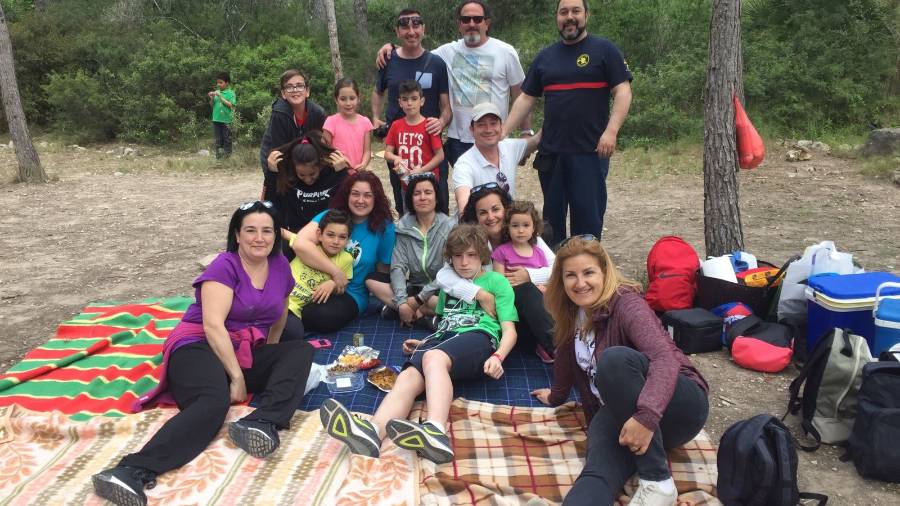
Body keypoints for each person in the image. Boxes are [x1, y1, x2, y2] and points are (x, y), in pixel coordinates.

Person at [91, 201, 315, 506]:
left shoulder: (279, 266)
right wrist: (237, 377)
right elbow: (212, 326)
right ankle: (131, 469)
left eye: (267, 231)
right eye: (250, 230)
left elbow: (281, 312)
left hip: (242, 348)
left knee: (300, 350)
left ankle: (261, 422)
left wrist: (271, 353)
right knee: (213, 401)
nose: (259, 238)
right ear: (237, 235)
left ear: (277, 235)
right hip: (197, 345)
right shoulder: (224, 266)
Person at [530, 237, 708, 506]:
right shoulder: (570, 313)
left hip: (678, 404)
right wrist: (555, 397)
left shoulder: (626, 303)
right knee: (597, 472)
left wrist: (646, 417)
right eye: (571, 276)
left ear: (604, 271)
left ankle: (657, 480)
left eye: (588, 272)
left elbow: (664, 359)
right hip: (619, 412)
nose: (580, 283)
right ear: (561, 281)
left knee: (613, 361)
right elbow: (565, 364)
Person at [319, 224, 517, 464]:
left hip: (480, 338)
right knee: (408, 376)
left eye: (471, 255)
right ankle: (372, 432)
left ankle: (436, 432)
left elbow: (509, 330)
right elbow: (447, 323)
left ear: (482, 256)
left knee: (432, 358)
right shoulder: (451, 287)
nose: (464, 262)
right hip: (445, 341)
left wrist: (498, 357)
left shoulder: (496, 282)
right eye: (458, 256)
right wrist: (425, 341)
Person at [376, 1, 532, 206]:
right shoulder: (446, 52)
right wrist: (390, 48)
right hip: (459, 140)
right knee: (467, 200)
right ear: (459, 24)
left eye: (478, 19)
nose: (472, 24)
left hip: (495, 137)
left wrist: (525, 132)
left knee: (499, 198)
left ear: (487, 23)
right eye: (466, 19)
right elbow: (415, 48)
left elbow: (521, 94)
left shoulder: (505, 51)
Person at [504, 0, 633, 245]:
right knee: (551, 222)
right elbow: (526, 98)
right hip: (552, 153)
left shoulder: (605, 50)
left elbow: (623, 92)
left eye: (575, 11)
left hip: (590, 152)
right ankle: (554, 272)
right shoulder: (545, 57)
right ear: (557, 17)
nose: (569, 17)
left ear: (586, 15)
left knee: (587, 221)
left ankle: (588, 274)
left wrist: (611, 132)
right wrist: (504, 131)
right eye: (564, 12)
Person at [437, 184, 556, 362]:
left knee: (530, 291)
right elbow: (443, 276)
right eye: (483, 212)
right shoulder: (472, 241)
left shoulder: (526, 236)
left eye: (495, 209)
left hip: (525, 306)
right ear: (475, 217)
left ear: (506, 210)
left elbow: (558, 267)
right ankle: (554, 346)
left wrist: (529, 275)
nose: (491, 217)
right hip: (493, 312)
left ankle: (557, 345)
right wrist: (480, 294)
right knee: (527, 293)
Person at [290, 171, 396, 332]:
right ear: (347, 195)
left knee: (318, 317)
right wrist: (337, 274)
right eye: (355, 194)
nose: (361, 200)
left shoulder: (385, 228)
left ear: (376, 198)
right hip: (309, 279)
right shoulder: (330, 216)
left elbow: (383, 270)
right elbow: (299, 243)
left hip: (351, 292)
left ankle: (288, 319)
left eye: (367, 195)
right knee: (284, 247)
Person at [372, 8, 451, 215]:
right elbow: (378, 92)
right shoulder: (387, 60)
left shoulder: (437, 63)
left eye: (416, 25)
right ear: (397, 31)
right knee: (404, 204)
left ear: (423, 29)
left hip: (429, 144)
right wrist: (375, 118)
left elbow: (446, 107)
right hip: (400, 147)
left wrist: (441, 122)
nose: (411, 31)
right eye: (404, 26)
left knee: (439, 205)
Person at [386, 173, 456, 328]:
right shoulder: (404, 227)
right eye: (417, 193)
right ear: (410, 199)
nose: (422, 197)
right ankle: (409, 311)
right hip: (415, 286)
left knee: (434, 300)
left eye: (428, 192)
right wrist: (403, 302)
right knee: (373, 282)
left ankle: (418, 311)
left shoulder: (450, 226)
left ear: (437, 198)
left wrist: (420, 299)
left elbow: (450, 269)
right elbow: (398, 266)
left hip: (443, 288)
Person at [265, 132, 350, 256]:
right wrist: (272, 175)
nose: (308, 179)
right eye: (302, 175)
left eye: (312, 174)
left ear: (320, 165)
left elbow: (347, 201)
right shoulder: (288, 179)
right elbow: (271, 205)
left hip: (327, 235)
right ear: (294, 169)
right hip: (295, 235)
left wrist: (343, 174)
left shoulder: (333, 174)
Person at [451, 102, 539, 213]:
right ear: (472, 130)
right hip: (479, 224)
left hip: (506, 221)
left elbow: (537, 141)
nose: (488, 129)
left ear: (501, 127)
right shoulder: (464, 164)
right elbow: (464, 206)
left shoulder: (509, 147)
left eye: (493, 123)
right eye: (481, 125)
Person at [283, 209, 354, 340]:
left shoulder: (346, 259)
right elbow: (285, 233)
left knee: (294, 333)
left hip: (293, 310)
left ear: (348, 239)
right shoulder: (309, 247)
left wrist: (332, 284)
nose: (336, 241)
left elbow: (343, 285)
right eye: (330, 235)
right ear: (319, 234)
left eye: (342, 237)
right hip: (275, 297)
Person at [260, 69, 327, 200]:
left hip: (305, 154)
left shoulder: (318, 112)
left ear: (307, 91)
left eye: (299, 86)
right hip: (277, 153)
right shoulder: (279, 114)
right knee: (282, 189)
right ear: (283, 94)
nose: (295, 90)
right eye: (289, 87)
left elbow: (320, 144)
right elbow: (279, 150)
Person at [384, 80, 445, 212]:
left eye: (414, 98)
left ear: (421, 101)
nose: (409, 103)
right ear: (400, 103)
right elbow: (387, 153)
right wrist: (395, 158)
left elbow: (440, 156)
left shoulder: (429, 125)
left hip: (427, 183)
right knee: (409, 216)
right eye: (405, 99)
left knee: (429, 217)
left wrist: (422, 170)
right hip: (407, 184)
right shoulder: (396, 125)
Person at [491, 200, 548, 291]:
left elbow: (547, 281)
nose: (521, 230)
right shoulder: (501, 252)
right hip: (512, 296)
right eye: (515, 225)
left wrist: (544, 289)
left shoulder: (539, 253)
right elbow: (498, 283)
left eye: (526, 225)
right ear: (507, 227)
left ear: (533, 228)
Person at [323, 77, 373, 171]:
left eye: (352, 98)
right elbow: (324, 151)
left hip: (358, 174)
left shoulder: (365, 122)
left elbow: (367, 151)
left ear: (358, 98)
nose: (348, 103)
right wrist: (338, 161)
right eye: (343, 99)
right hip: (338, 175)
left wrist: (364, 163)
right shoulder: (330, 122)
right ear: (336, 100)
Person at [208, 71, 236, 158]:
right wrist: (212, 98)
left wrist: (220, 96)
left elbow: (231, 105)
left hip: (227, 120)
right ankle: (219, 158)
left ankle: (227, 157)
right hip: (216, 119)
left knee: (227, 139)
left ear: (227, 83)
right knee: (218, 140)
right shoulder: (216, 92)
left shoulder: (231, 93)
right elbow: (212, 105)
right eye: (218, 82)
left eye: (221, 82)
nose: (219, 84)